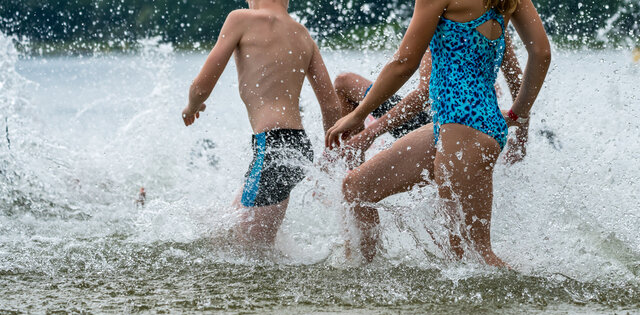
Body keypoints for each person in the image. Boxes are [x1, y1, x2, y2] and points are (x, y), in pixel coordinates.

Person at [326, 0, 551, 265]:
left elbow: (403, 63)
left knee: (470, 254)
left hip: (462, 129)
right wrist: (518, 114)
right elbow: (541, 53)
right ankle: (362, 280)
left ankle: (526, 297)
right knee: (357, 188)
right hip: (460, 125)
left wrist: (358, 114)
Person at [181, 0, 341, 245]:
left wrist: (192, 107)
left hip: (272, 148)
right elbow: (331, 105)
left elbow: (201, 85)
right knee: (233, 232)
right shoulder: (302, 33)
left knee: (250, 250)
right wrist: (330, 157)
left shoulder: (240, 19)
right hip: (299, 148)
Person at [333, 33, 525, 163]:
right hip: (482, 124)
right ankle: (348, 160)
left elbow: (423, 94)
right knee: (344, 82)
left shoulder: (442, 16)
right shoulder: (498, 18)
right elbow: (519, 83)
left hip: (437, 126)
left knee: (344, 82)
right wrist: (521, 139)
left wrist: (370, 133)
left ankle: (350, 163)